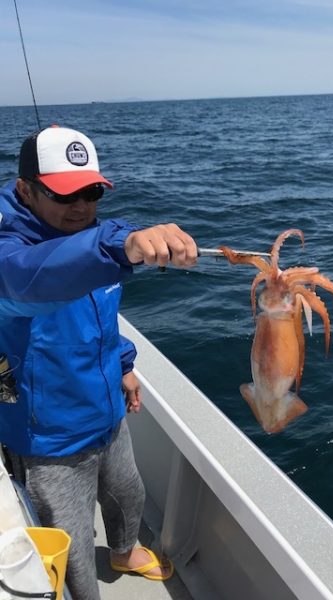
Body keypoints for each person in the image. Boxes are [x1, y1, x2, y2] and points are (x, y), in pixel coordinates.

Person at [0, 125, 197, 600]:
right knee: (68, 545)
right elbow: (30, 280)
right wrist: (117, 245)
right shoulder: (12, 253)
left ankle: (125, 551)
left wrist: (124, 365)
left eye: (91, 192)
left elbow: (100, 320)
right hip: (49, 437)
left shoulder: (92, 241)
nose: (82, 207)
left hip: (106, 410)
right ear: (25, 189)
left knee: (129, 494)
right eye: (65, 195)